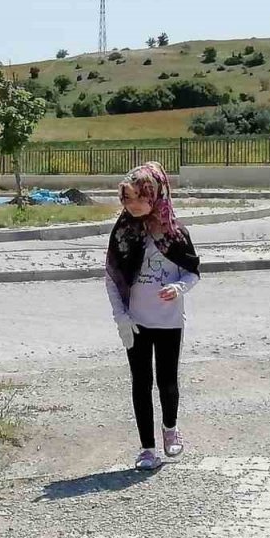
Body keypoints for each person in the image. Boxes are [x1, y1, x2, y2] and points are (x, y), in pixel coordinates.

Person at [104, 162, 202, 472]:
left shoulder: (175, 232)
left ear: (155, 194)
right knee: (140, 383)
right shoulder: (123, 232)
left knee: (167, 381)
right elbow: (112, 277)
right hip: (136, 323)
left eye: (139, 197)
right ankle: (147, 449)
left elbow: (192, 272)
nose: (133, 205)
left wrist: (179, 286)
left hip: (169, 322)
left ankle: (170, 429)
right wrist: (120, 317)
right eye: (127, 199)